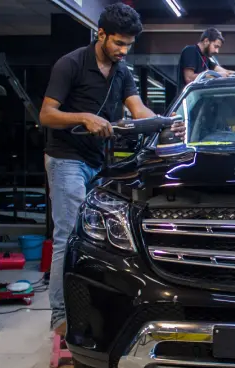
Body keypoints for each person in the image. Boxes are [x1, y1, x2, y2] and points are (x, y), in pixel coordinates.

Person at [39, 3, 185, 336]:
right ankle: (61, 319)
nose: (123, 51)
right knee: (69, 235)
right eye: (118, 43)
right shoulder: (71, 64)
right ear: (101, 34)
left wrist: (165, 124)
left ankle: (91, 306)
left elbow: (138, 110)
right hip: (65, 159)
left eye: (128, 46)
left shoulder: (122, 73)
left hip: (98, 163)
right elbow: (46, 114)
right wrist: (83, 117)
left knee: (97, 240)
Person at [177, 28, 235, 92]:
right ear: (206, 41)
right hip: (189, 99)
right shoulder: (191, 50)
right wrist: (216, 75)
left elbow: (225, 72)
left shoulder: (206, 58)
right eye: (215, 46)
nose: (217, 51)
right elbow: (189, 78)